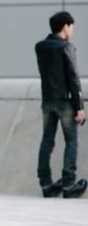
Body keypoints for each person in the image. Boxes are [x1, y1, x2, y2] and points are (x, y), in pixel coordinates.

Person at [35, 11, 86, 198]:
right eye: (71, 27)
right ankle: (69, 184)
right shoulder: (66, 47)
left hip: (47, 101)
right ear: (66, 26)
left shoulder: (41, 47)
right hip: (64, 102)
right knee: (71, 140)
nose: (72, 31)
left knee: (47, 141)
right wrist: (80, 107)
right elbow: (73, 77)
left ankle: (46, 183)